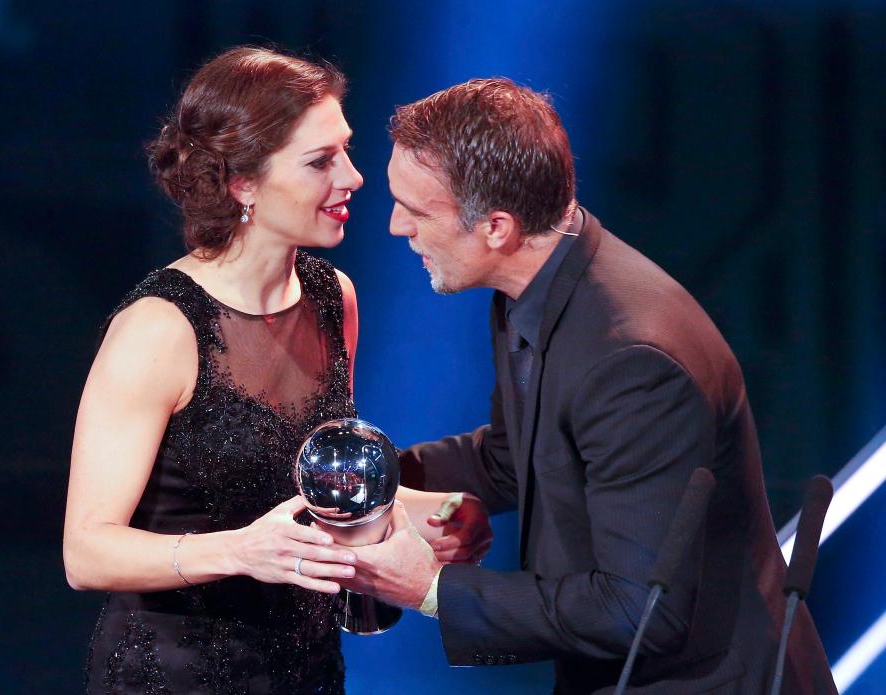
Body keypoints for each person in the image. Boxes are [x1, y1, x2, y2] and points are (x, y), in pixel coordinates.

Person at [344, 79, 837, 693]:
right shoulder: (533, 288)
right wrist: (355, 481)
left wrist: (432, 590)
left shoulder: (632, 362)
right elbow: (512, 458)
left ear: (496, 226)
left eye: (416, 211)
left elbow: (640, 611)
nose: (396, 227)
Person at [62, 48, 490, 694]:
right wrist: (236, 550)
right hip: (173, 678)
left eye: (345, 151)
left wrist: (440, 512)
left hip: (304, 673)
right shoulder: (159, 329)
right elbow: (86, 551)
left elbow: (307, 487)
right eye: (321, 161)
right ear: (243, 184)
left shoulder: (331, 297)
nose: (353, 177)